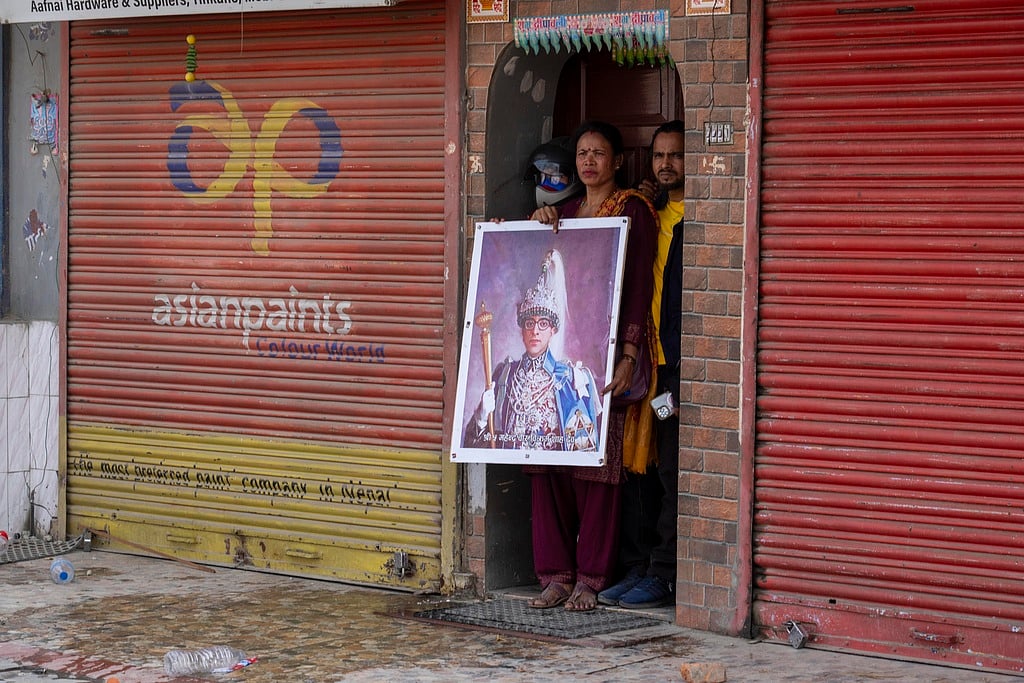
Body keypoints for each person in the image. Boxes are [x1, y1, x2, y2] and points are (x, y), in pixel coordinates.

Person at [525, 120, 659, 612]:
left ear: (617, 161)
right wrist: (533, 226)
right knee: (546, 464)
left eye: (598, 153)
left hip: (601, 355)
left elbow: (639, 286)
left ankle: (591, 577)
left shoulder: (633, 210)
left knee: (596, 468)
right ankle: (555, 574)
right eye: (582, 153)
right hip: (555, 356)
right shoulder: (561, 213)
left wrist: (628, 354)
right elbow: (532, 270)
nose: (588, 161)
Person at [597, 119, 685, 609]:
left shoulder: (701, 218)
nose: (666, 164)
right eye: (659, 155)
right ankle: (638, 567)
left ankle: (664, 574)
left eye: (676, 155)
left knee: (670, 469)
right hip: (643, 366)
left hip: (675, 370)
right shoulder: (650, 212)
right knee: (636, 468)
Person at [465, 249, 601, 452]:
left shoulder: (570, 380)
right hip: (510, 466)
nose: (535, 331)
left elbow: (583, 451)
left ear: (553, 330)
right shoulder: (504, 376)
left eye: (543, 324)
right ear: (522, 330)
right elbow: (474, 447)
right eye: (529, 323)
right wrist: (482, 416)